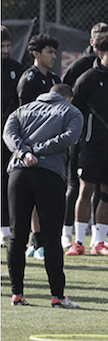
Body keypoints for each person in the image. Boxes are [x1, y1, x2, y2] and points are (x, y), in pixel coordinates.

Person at [3, 83, 84, 308]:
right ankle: (58, 296)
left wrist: (24, 151)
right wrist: (39, 150)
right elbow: (69, 138)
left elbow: (8, 134)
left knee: (17, 236)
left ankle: (17, 294)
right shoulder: (72, 111)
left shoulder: (22, 110)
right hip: (49, 174)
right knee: (51, 237)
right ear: (69, 98)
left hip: (18, 173)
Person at [66, 32, 108, 256]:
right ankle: (78, 242)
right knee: (85, 190)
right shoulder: (87, 79)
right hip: (90, 146)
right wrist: (78, 140)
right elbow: (74, 113)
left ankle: (99, 243)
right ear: (100, 53)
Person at [61, 22, 108, 249]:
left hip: (106, 140)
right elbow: (64, 96)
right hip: (81, 138)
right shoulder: (80, 67)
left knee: (102, 187)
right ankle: (66, 233)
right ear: (92, 42)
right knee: (76, 185)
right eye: (100, 39)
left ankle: (97, 238)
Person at [16, 33, 61, 260]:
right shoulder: (29, 80)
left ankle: (42, 240)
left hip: (50, 148)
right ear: (36, 54)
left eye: (55, 52)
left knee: (48, 196)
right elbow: (24, 116)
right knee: (34, 196)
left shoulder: (54, 80)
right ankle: (35, 241)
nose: (54, 56)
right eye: (49, 52)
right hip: (31, 149)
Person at [1, 26, 24, 247]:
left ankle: (5, 230)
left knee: (7, 180)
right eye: (2, 46)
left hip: (8, 137)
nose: (6, 50)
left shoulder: (17, 69)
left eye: (8, 46)